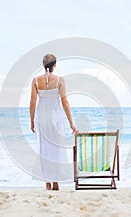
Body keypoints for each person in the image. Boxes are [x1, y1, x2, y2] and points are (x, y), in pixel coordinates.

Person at [30, 54, 78, 190]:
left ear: (43, 64)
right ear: (55, 65)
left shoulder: (35, 81)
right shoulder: (59, 80)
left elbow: (32, 103)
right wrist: (71, 123)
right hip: (56, 118)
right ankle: (56, 181)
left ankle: (47, 182)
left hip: (42, 117)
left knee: (44, 149)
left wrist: (32, 121)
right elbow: (65, 103)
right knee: (56, 149)